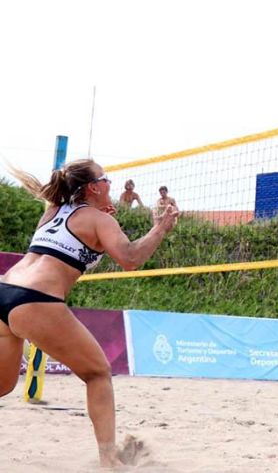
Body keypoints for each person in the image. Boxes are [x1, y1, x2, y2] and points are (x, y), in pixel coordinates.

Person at [0, 159, 179, 467]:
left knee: (2, 386)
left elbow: (73, 242)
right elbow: (130, 258)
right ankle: (109, 462)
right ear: (95, 187)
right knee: (97, 374)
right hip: (35, 299)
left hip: (4, 290)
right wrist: (160, 228)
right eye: (106, 178)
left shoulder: (53, 212)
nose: (111, 182)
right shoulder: (97, 219)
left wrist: (102, 219)